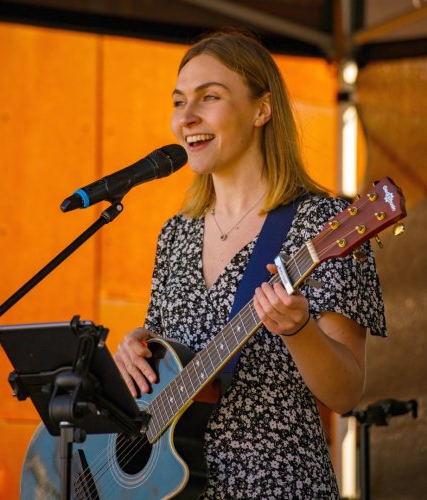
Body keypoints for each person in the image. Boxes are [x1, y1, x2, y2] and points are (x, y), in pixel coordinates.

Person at [114, 29, 386, 499]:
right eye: (178, 101)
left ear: (262, 110)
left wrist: (298, 330)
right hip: (176, 488)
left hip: (278, 483)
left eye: (209, 97)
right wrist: (138, 355)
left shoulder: (325, 225)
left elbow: (345, 394)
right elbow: (167, 374)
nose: (187, 116)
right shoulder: (176, 234)